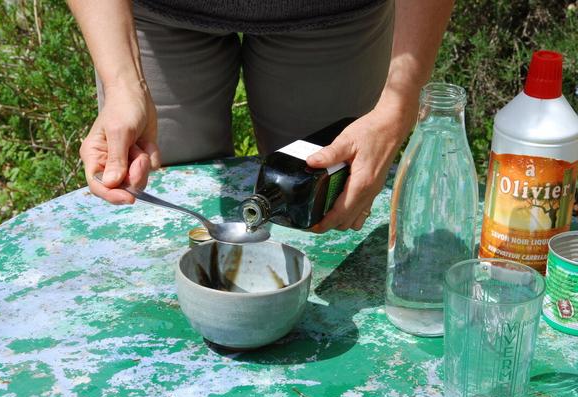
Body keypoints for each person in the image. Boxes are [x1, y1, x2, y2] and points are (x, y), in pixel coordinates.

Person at [68, 0, 454, 233]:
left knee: (325, 211)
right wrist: (123, 84)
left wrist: (397, 108)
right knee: (153, 215)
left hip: (334, 16)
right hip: (158, 16)